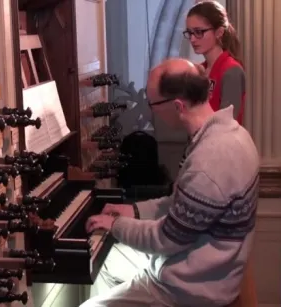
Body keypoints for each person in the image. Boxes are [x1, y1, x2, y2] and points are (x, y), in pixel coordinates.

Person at [80, 58, 259, 307]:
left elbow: (166, 239)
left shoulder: (208, 161)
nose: (152, 111)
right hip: (204, 269)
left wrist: (116, 225)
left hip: (188, 290)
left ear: (177, 106)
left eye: (153, 104)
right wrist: (133, 210)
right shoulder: (233, 134)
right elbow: (182, 205)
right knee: (107, 262)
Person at [184, 0, 246, 124]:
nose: (192, 39)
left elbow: (226, 123)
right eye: (190, 33)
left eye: (199, 32)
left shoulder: (231, 70)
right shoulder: (199, 71)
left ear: (219, 32)